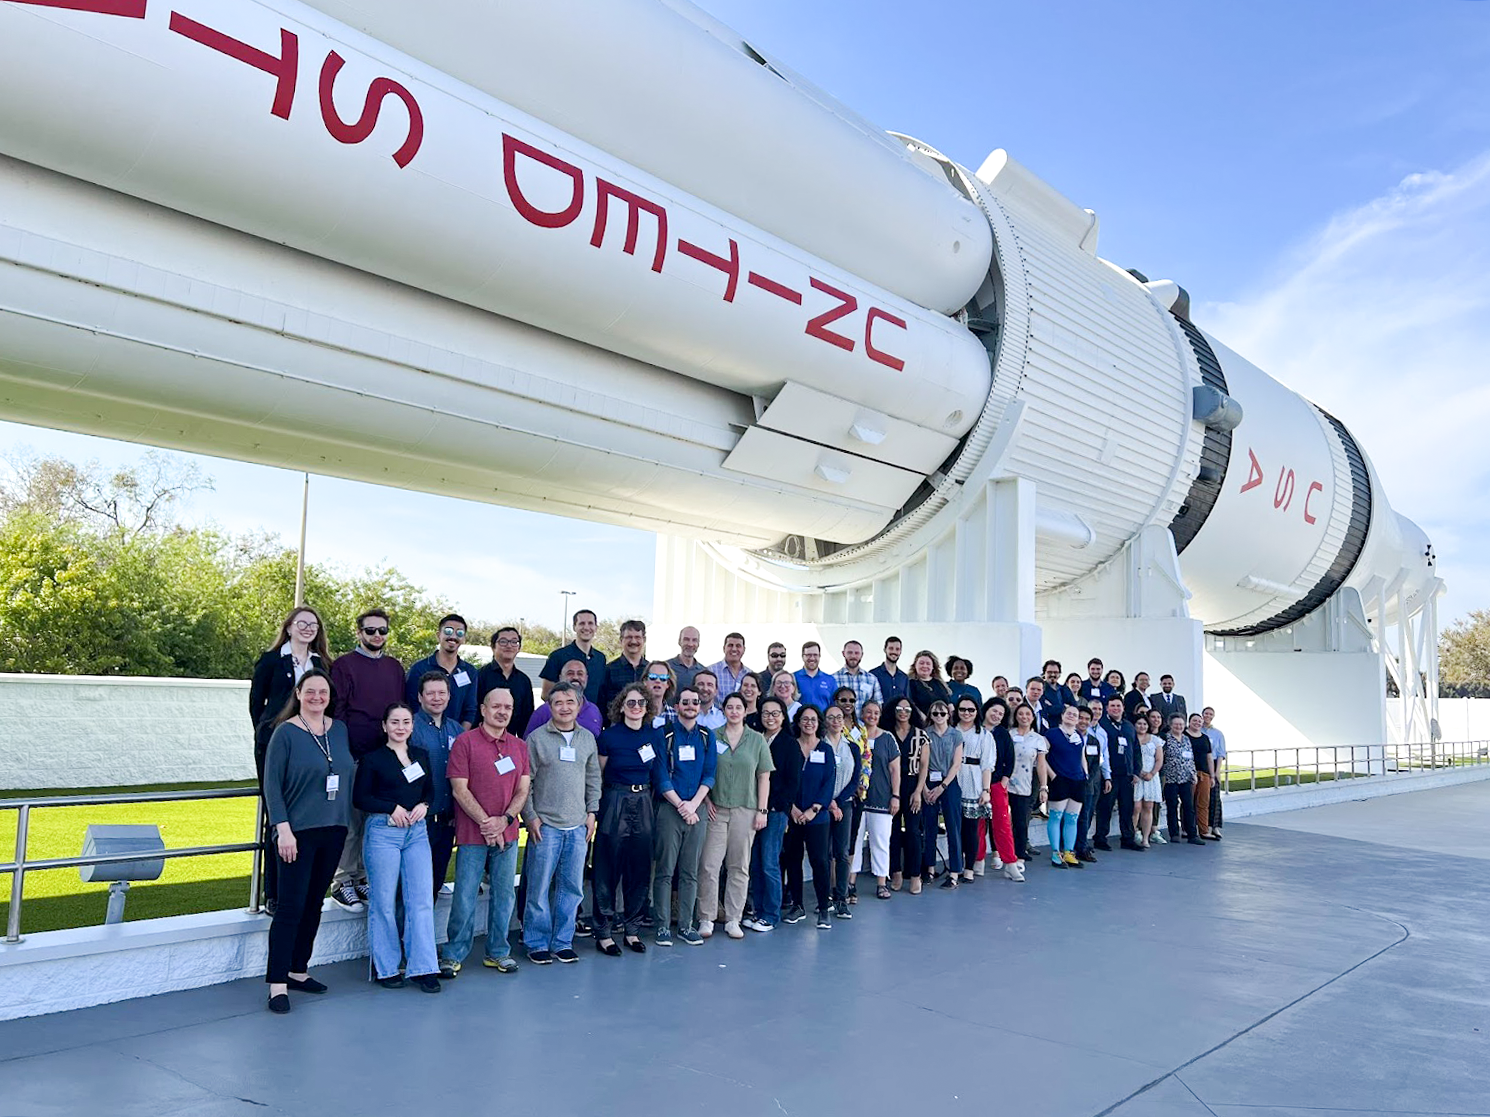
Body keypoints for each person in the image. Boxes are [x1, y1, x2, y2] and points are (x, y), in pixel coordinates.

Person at [261, 669, 354, 1014]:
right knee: (290, 908)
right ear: (299, 693)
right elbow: (272, 786)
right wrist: (282, 829)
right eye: (310, 691)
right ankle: (277, 984)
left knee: (315, 903)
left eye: (323, 692)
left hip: (333, 829)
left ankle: (298, 970)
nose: (317, 697)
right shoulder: (284, 733)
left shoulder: (339, 730)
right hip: (296, 833)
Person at [440, 688, 530, 976]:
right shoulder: (465, 743)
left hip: (508, 833)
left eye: (508, 707)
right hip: (471, 834)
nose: (502, 712)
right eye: (496, 706)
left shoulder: (519, 746)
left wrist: (503, 820)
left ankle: (498, 952)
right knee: (465, 895)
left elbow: (523, 789)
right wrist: (486, 823)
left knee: (504, 895)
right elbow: (459, 789)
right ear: (483, 709)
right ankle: (453, 954)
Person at [354, 702, 440, 993]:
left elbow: (429, 790)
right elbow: (361, 797)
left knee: (421, 900)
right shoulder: (373, 759)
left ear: (412, 726)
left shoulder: (421, 756)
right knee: (384, 902)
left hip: (416, 834)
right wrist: (391, 808)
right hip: (383, 834)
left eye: (405, 722)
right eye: (394, 722)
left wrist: (424, 805)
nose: (400, 727)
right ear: (384, 726)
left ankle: (424, 967)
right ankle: (386, 967)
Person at [248, 606, 330, 909]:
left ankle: (303, 887)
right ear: (289, 626)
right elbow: (256, 704)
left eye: (313, 624)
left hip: (310, 747)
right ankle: (274, 892)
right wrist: (268, 734)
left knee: (307, 816)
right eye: (302, 623)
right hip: (275, 745)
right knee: (278, 815)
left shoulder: (322, 663)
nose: (308, 628)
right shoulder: (271, 660)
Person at [329, 608, 405, 912]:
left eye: (382, 630)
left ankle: (361, 877)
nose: (377, 636)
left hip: (384, 758)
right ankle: (342, 881)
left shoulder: (394, 668)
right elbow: (337, 712)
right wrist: (343, 753)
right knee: (351, 822)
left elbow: (400, 710)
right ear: (359, 632)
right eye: (371, 630)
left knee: (374, 821)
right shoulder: (344, 666)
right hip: (353, 756)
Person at [521, 682, 600, 965]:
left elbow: (593, 779)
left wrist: (592, 813)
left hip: (578, 827)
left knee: (572, 888)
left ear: (579, 706)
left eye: (570, 702)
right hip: (546, 826)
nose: (565, 707)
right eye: (558, 703)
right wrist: (530, 816)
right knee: (540, 888)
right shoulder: (537, 739)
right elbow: (524, 783)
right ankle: (537, 941)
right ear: (549, 707)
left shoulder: (588, 738)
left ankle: (562, 941)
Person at [594, 683, 667, 955]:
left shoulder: (654, 735)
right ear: (621, 706)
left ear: (647, 707)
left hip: (644, 801)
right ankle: (604, 932)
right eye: (631, 703)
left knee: (639, 868)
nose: (636, 707)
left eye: (641, 703)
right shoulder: (609, 737)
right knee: (608, 868)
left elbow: (659, 773)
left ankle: (632, 930)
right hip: (615, 800)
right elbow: (598, 776)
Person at [697, 692, 773, 939]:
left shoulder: (757, 740)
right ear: (724, 710)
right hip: (716, 809)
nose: (734, 711)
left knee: (739, 866)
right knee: (709, 865)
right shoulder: (712, 736)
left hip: (746, 809)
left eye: (738, 707)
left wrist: (762, 810)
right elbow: (704, 772)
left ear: (744, 711)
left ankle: (733, 918)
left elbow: (764, 776)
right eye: (729, 707)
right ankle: (706, 917)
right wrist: (706, 800)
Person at [652, 685, 717, 946]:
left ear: (700, 707)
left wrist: (694, 805)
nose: (690, 706)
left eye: (695, 702)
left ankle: (686, 925)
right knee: (665, 870)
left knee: (690, 871)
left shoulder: (706, 736)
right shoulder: (664, 734)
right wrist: (682, 806)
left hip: (697, 809)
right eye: (685, 702)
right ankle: (662, 926)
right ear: (676, 706)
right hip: (671, 809)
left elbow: (710, 773)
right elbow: (660, 775)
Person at [781, 705, 837, 930]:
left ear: (819, 723)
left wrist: (813, 809)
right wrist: (792, 808)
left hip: (817, 817)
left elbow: (829, 781)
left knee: (819, 861)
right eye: (805, 719)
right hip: (792, 815)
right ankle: (797, 905)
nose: (809, 723)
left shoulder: (825, 749)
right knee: (792, 860)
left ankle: (824, 908)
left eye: (813, 719)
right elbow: (782, 779)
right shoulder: (789, 747)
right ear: (798, 721)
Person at [410, 672, 462, 895]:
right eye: (430, 693)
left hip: (447, 820)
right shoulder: (409, 726)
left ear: (449, 696)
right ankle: (405, 931)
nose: (436, 698)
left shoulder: (456, 730)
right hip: (419, 819)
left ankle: (424, 931)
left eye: (442, 692)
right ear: (420, 697)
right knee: (412, 886)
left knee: (435, 881)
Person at [745, 696, 794, 932]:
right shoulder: (755, 739)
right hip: (751, 809)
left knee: (769, 863)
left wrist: (773, 807)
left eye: (775, 713)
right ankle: (758, 910)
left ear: (783, 716)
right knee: (755, 863)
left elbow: (792, 783)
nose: (770, 717)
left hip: (773, 813)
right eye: (765, 713)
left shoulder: (789, 743)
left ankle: (771, 914)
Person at [821, 703, 861, 919]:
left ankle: (841, 898)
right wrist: (829, 802)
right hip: (823, 805)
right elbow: (818, 777)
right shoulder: (819, 745)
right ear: (825, 720)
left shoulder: (853, 747)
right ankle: (825, 897)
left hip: (844, 804)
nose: (836, 721)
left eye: (839, 717)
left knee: (842, 852)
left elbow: (856, 779)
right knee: (824, 853)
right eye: (831, 717)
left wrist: (838, 800)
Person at [403, 613, 478, 729]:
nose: (453, 636)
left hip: (457, 739)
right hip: (423, 737)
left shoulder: (470, 672)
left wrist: (460, 737)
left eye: (459, 633)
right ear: (438, 635)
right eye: (448, 631)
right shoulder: (419, 669)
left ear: (464, 638)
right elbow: (411, 706)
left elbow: (470, 709)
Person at [858, 700, 901, 899]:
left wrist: (895, 796)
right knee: (853, 843)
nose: (872, 716)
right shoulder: (855, 735)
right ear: (862, 713)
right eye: (868, 712)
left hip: (882, 798)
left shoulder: (888, 738)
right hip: (857, 800)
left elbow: (895, 770)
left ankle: (881, 883)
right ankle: (850, 883)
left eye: (876, 712)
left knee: (881, 842)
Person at [1038, 705, 1089, 868]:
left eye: (1075, 715)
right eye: (1069, 714)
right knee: (1056, 817)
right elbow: (1041, 757)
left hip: (1078, 781)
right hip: (1060, 781)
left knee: (1072, 819)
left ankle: (1069, 852)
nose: (1072, 716)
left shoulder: (1078, 736)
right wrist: (1053, 775)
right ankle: (1055, 854)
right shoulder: (1051, 734)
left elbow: (1082, 756)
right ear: (1062, 716)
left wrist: (1085, 774)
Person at [920, 700, 964, 887]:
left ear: (948, 715)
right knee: (929, 827)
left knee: (953, 827)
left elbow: (956, 764)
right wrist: (923, 788)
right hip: (928, 781)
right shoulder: (924, 734)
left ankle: (954, 872)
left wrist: (942, 787)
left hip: (948, 783)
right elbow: (920, 763)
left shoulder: (956, 735)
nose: (939, 717)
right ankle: (929, 868)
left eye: (943, 713)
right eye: (935, 713)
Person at [979, 698, 1023, 881]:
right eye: (994, 711)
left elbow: (1010, 760)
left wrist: (1004, 782)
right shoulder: (974, 730)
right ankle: (977, 860)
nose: (996, 715)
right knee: (978, 825)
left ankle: (1010, 864)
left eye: (1001, 713)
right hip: (976, 784)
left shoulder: (1003, 734)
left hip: (997, 784)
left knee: (1002, 825)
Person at [832, 687, 870, 904]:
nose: (848, 703)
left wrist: (861, 785)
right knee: (833, 845)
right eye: (843, 700)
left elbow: (866, 757)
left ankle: (846, 886)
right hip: (835, 793)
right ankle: (833, 886)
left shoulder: (860, 728)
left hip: (856, 793)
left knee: (850, 840)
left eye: (852, 700)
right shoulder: (829, 727)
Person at [887, 698, 926, 894]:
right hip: (891, 786)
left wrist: (918, 791)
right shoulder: (887, 733)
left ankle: (915, 875)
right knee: (892, 832)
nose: (903, 712)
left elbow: (924, 766)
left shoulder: (920, 735)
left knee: (912, 831)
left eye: (907, 709)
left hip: (912, 785)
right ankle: (896, 872)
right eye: (899, 708)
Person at [1096, 694, 1141, 852]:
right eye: (1112, 706)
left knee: (1127, 808)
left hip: (1127, 774)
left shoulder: (1129, 726)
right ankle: (1100, 838)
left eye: (1118, 706)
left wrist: (1136, 771)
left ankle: (1128, 838)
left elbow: (1136, 749)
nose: (1116, 708)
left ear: (1123, 708)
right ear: (1107, 708)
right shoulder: (1102, 725)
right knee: (1105, 807)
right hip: (1110, 774)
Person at [953, 695, 990, 882]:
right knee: (955, 826)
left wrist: (986, 789)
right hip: (953, 777)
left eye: (971, 710)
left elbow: (987, 765)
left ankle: (969, 867)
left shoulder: (983, 734)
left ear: (977, 712)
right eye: (962, 709)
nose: (966, 713)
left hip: (973, 779)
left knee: (971, 828)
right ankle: (956, 865)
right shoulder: (952, 731)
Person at [475, 626, 536, 738]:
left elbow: (526, 719)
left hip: (511, 743)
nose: (509, 645)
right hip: (481, 740)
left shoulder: (524, 681)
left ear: (519, 648)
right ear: (493, 647)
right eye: (503, 642)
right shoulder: (479, 676)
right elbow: (473, 712)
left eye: (514, 642)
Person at [540, 609, 606, 704]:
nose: (586, 627)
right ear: (574, 627)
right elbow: (546, 695)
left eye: (590, 623)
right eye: (582, 623)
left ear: (596, 627)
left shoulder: (600, 659)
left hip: (592, 716)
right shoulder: (557, 656)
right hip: (565, 716)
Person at [1072, 705, 1110, 864]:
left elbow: (1096, 763)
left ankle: (1081, 847)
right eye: (1080, 717)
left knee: (1085, 817)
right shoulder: (1069, 736)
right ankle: (1067, 847)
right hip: (1070, 783)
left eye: (1087, 719)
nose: (1083, 721)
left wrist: (1088, 779)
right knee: (1070, 817)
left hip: (1088, 786)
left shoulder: (1094, 741)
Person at [527, 658, 604, 736]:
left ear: (586, 678)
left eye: (580, 674)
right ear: (560, 677)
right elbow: (528, 744)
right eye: (570, 673)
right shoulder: (544, 711)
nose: (576, 677)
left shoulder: (594, 711)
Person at [1007, 701, 1043, 863]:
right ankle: (1002, 852)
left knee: (1021, 822)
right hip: (1004, 782)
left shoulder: (1037, 739)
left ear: (1033, 717)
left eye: (1028, 714)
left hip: (1024, 785)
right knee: (1002, 820)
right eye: (1020, 713)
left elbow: (1041, 765)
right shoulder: (1009, 734)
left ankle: (1019, 852)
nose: (1024, 717)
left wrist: (1043, 786)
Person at [1160, 714, 1204, 845]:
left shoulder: (1186, 739)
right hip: (1170, 778)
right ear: (1171, 725)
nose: (1178, 726)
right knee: (1172, 806)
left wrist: (1193, 774)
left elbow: (1190, 758)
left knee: (1189, 806)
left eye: (1181, 724)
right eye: (1176, 724)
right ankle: (1174, 833)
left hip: (1185, 778)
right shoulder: (1166, 739)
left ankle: (1192, 834)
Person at [599, 619, 650, 716]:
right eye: (629, 637)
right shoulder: (609, 670)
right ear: (621, 640)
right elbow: (602, 703)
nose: (633, 641)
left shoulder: (650, 669)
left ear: (644, 640)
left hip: (645, 726)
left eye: (637, 637)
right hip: (616, 726)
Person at [1133, 716, 1163, 848]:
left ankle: (1146, 838)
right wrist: (1137, 772)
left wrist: (1152, 773)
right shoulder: (1132, 738)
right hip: (1136, 776)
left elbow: (1159, 760)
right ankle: (1134, 833)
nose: (1142, 726)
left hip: (1151, 777)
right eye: (1139, 723)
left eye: (1144, 724)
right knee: (1136, 807)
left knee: (1148, 807)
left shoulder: (1155, 740)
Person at [1187, 712, 1217, 840]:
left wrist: (1212, 775)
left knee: (1203, 802)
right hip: (1189, 773)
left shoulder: (1205, 738)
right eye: (1194, 720)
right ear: (1189, 722)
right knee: (1188, 803)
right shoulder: (1184, 736)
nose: (1197, 723)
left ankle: (1204, 830)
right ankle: (1186, 828)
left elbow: (1209, 757)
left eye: (1199, 721)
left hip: (1204, 773)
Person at [834, 640, 883, 714]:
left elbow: (878, 706)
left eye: (857, 653)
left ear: (862, 654)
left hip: (864, 725)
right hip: (841, 724)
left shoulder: (872, 680)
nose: (853, 656)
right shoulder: (833, 679)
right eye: (850, 653)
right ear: (843, 653)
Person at [1202, 706, 1226, 839]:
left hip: (1214, 763)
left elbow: (1221, 753)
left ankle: (1214, 826)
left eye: (1210, 714)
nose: (1208, 716)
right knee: (1201, 798)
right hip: (1201, 764)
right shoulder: (1197, 730)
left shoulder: (1218, 733)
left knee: (1215, 798)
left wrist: (1217, 771)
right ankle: (1203, 825)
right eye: (1206, 713)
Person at [908, 651, 952, 723]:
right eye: (921, 663)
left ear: (933, 667)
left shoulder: (939, 683)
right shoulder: (911, 683)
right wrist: (925, 720)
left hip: (942, 725)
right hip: (923, 724)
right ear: (915, 666)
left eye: (928, 664)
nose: (925, 666)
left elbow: (949, 704)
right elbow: (912, 705)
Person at [794, 641, 837, 713]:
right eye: (808, 655)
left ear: (820, 656)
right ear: (802, 656)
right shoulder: (794, 678)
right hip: (800, 722)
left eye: (815, 655)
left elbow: (834, 705)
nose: (812, 658)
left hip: (823, 722)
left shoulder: (830, 680)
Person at [709, 632, 753, 699]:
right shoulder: (711, 671)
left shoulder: (750, 674)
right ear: (724, 648)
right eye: (730, 645)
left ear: (744, 649)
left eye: (738, 646)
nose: (734, 649)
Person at [871, 636, 910, 709]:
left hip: (898, 718)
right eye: (891, 648)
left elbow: (907, 701)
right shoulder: (873, 674)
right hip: (880, 718)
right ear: (885, 650)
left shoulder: (904, 677)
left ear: (900, 651)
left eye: (897, 649)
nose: (894, 652)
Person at [668, 626, 703, 694]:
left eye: (694, 640)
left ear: (698, 644)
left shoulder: (703, 671)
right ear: (679, 641)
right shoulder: (667, 667)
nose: (690, 644)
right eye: (686, 639)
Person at [642, 659, 676, 727]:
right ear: (645, 681)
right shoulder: (636, 712)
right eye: (653, 677)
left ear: (668, 684)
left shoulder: (675, 716)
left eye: (663, 678)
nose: (657, 681)